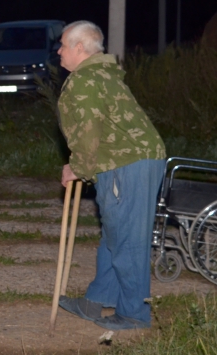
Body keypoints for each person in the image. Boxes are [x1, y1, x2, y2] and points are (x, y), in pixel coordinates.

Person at [56, 21, 166, 330]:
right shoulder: (103, 74)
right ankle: (96, 300)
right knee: (115, 236)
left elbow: (89, 131)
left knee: (127, 241)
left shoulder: (85, 80)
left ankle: (133, 314)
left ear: (80, 48)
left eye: (63, 45)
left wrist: (77, 166)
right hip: (138, 159)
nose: (59, 50)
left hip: (125, 163)